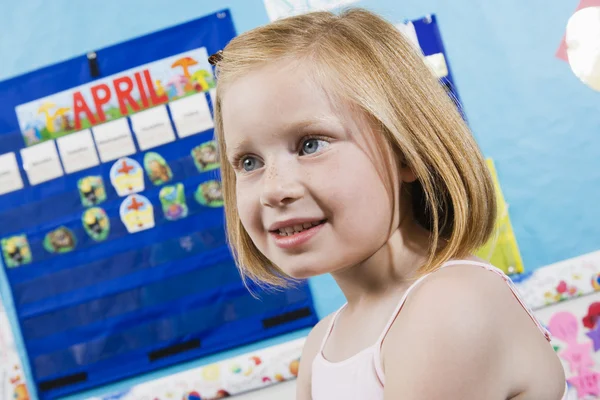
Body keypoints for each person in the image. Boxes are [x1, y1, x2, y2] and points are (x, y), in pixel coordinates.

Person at [210, 8, 566, 399]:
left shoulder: (449, 303)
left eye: (311, 144)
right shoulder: (322, 344)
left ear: (406, 151)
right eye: (249, 162)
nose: (273, 191)